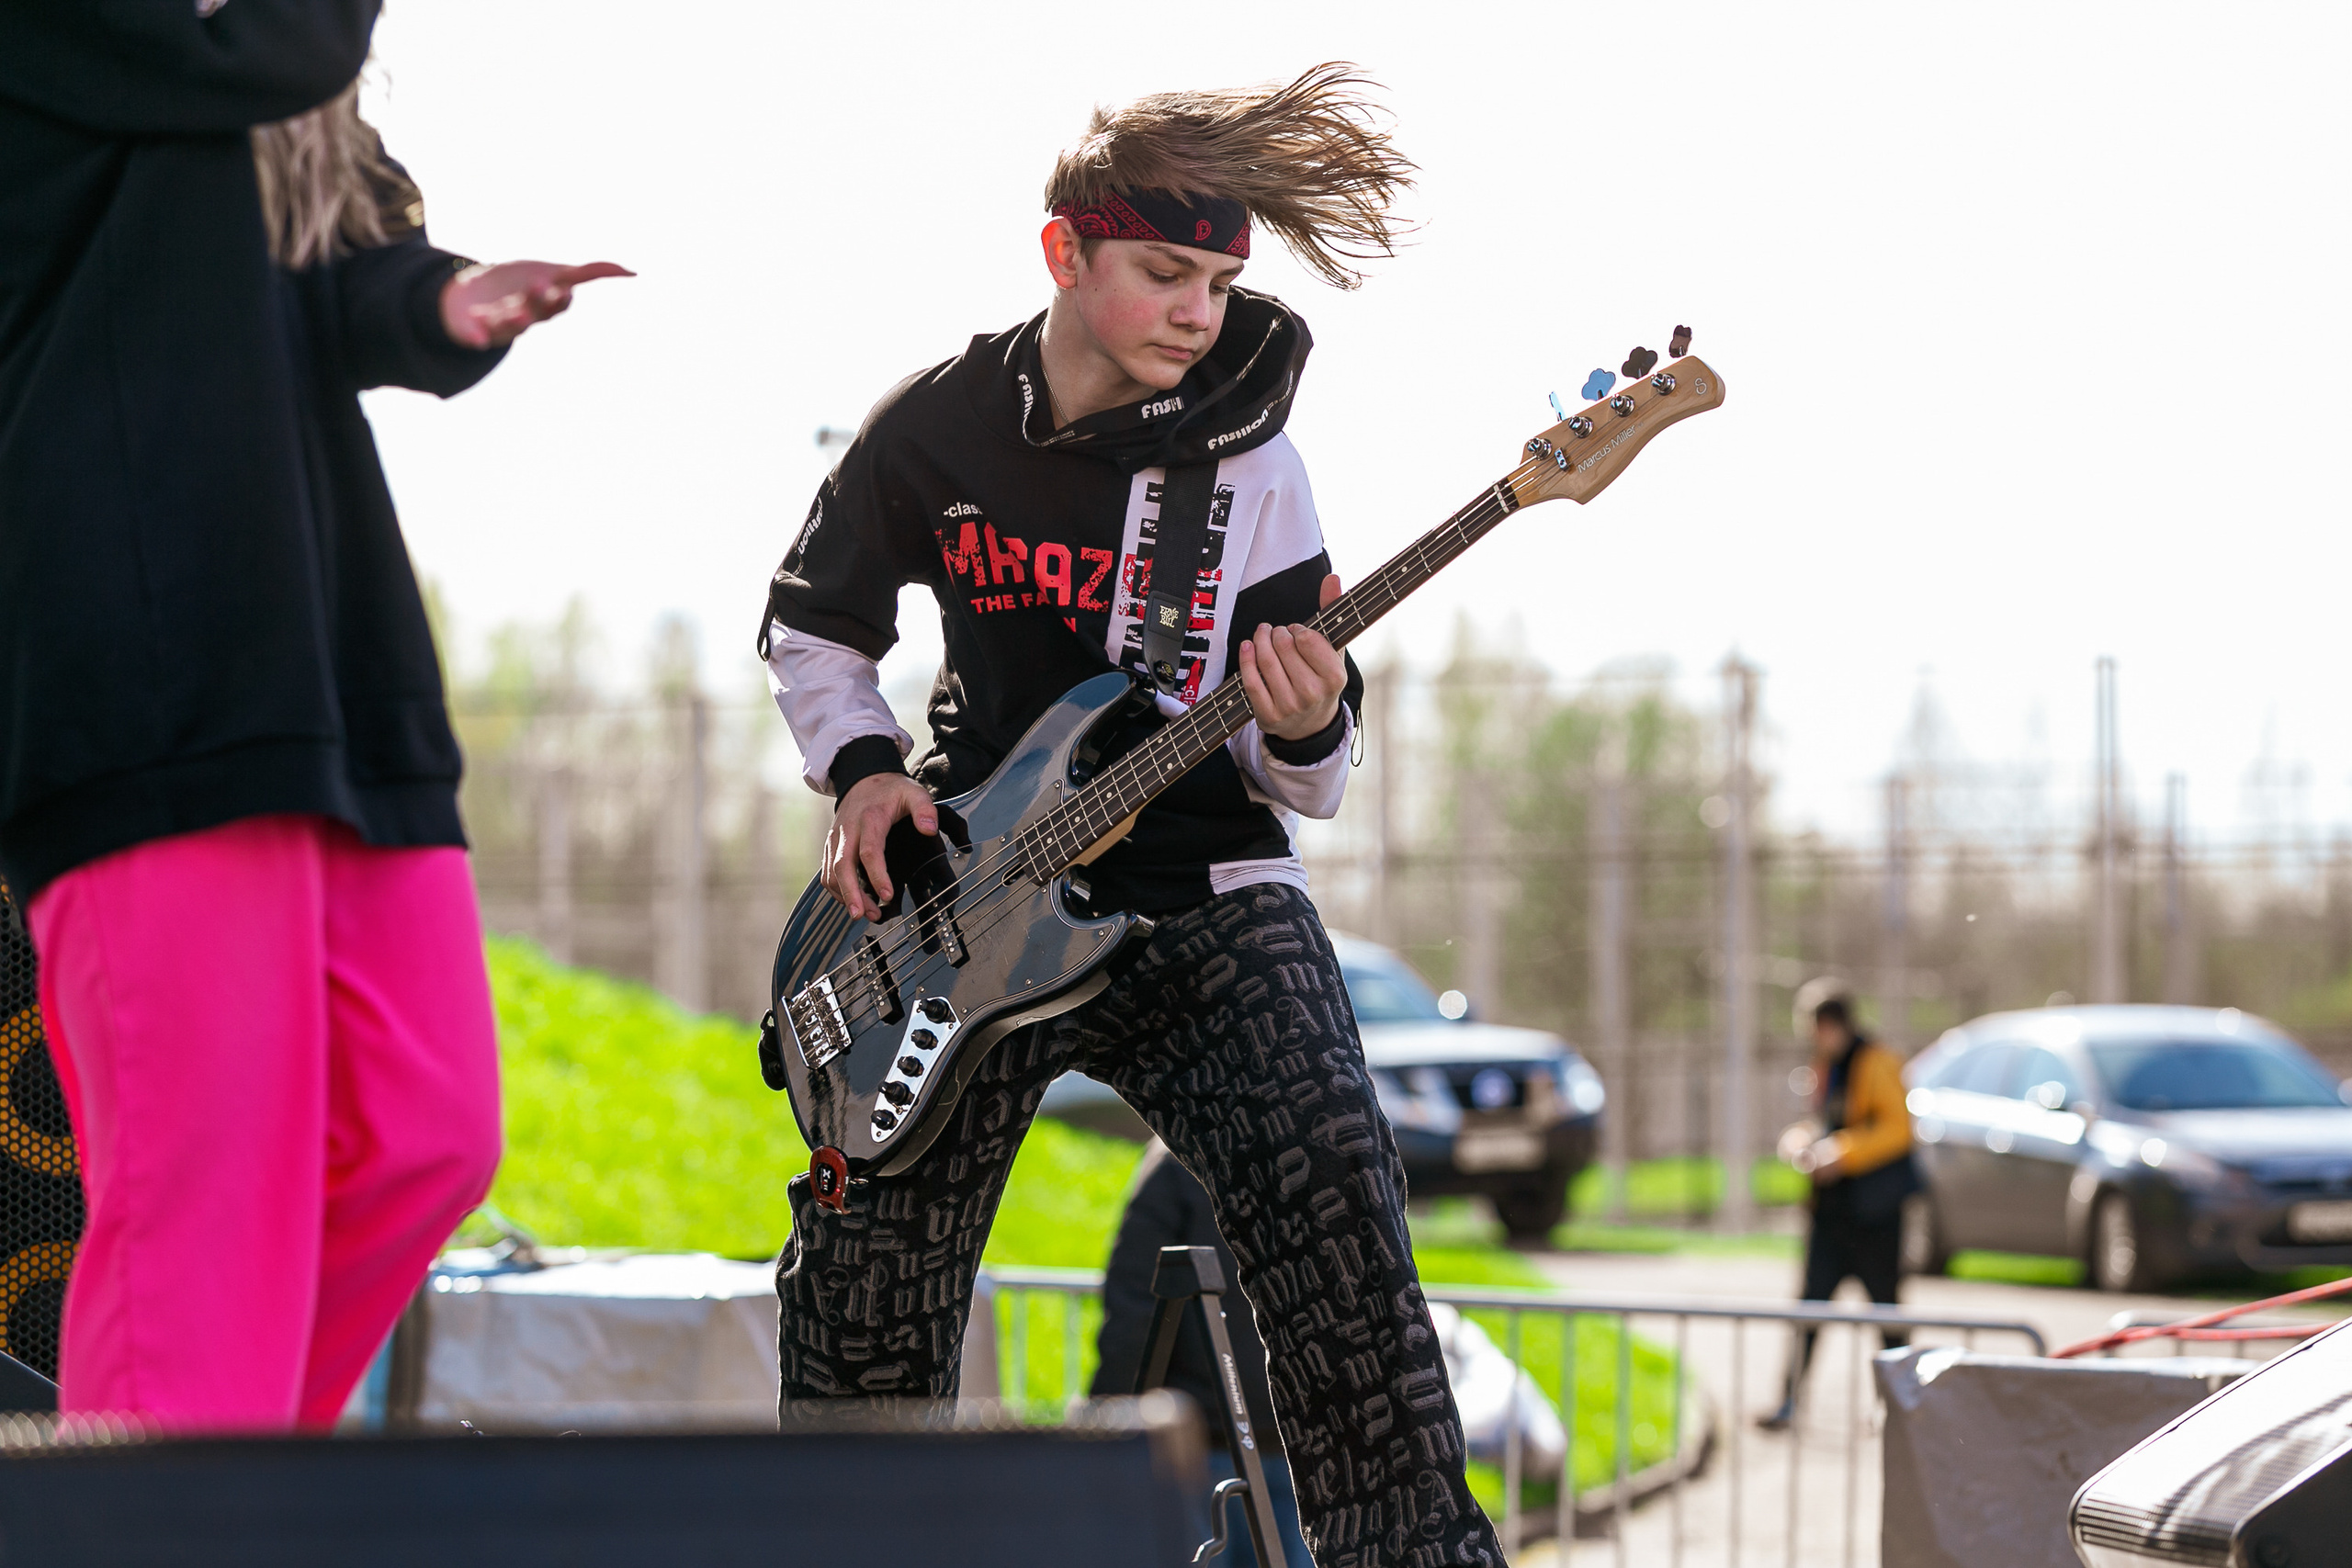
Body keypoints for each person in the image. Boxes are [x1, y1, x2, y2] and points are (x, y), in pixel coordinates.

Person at [763, 64, 1506, 1564]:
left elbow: (1312, 776)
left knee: (1341, 1216)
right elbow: (812, 625)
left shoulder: (1252, 458)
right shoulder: (935, 424)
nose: (1197, 312)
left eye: (1220, 284)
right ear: (1065, 254)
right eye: (1165, 274)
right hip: (966, 903)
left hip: (1207, 890)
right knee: (863, 1300)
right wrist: (867, 769)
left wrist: (1304, 715)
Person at [0, 5, 627, 1430]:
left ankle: (218, 1479)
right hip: (139, 659)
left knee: (421, 1129)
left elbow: (317, 278)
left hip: (327, 654)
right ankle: (169, 1506)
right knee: (202, 1179)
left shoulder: (242, 72)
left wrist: (443, 300)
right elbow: (251, 61)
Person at [1093, 1142, 1314, 1568]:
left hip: (1206, 1440)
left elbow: (1135, 1302)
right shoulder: (1303, 1145)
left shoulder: (1178, 1156)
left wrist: (1109, 1420)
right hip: (1297, 1439)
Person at [1758, 982, 1919, 1431]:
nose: (1813, 1037)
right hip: (1831, 1215)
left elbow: (1896, 1130)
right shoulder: (1826, 1066)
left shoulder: (1878, 1062)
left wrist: (1841, 1152)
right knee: (1809, 1310)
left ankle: (1902, 1409)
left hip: (1874, 1215)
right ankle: (1789, 1400)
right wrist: (1802, 1141)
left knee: (1887, 1313)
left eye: (1816, 1028)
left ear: (1832, 1024)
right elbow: (1825, 1122)